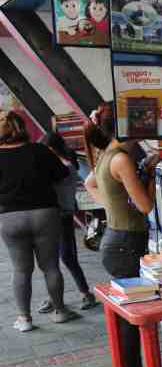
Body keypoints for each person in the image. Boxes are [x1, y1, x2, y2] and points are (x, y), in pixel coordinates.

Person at [84, 112, 162, 367]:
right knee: (131, 318)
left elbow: (90, 184)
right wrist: (151, 172)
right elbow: (145, 206)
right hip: (126, 245)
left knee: (129, 316)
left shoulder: (108, 154)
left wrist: (114, 205)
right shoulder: (121, 159)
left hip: (119, 242)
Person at [0, 111, 78, 331]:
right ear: (22, 127)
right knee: (51, 266)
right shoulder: (40, 150)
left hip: (10, 217)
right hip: (45, 214)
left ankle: (24, 319)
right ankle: (60, 311)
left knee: (21, 270)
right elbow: (63, 175)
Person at [37, 133, 97, 313]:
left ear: (51, 149)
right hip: (52, 216)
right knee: (52, 260)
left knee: (67, 257)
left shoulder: (65, 166)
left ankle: (85, 293)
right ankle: (54, 297)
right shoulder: (58, 165)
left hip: (61, 215)